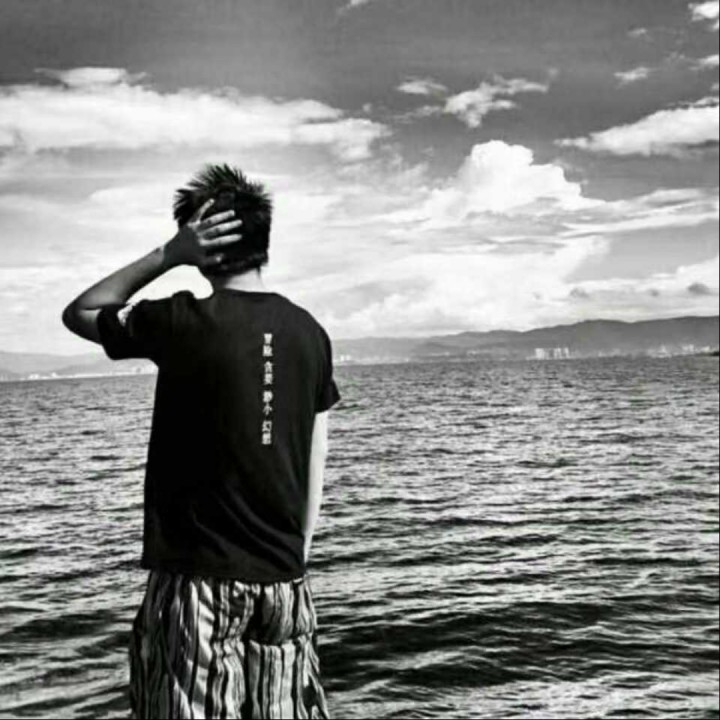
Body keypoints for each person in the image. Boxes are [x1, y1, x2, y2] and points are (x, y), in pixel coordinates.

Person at [62, 163, 341, 719]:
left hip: (199, 587)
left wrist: (169, 254)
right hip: (285, 582)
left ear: (204, 241)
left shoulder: (182, 319)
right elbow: (316, 448)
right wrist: (299, 550)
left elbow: (81, 312)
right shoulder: (309, 331)